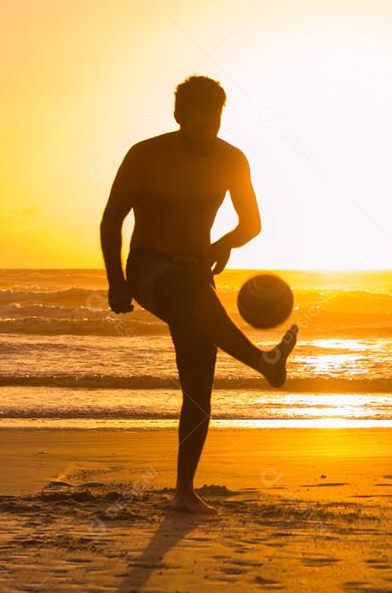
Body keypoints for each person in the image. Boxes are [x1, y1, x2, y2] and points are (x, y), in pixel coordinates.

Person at [100, 75, 298, 514]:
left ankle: (184, 492)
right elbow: (112, 218)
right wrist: (116, 280)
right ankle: (263, 362)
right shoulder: (146, 155)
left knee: (198, 382)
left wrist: (222, 244)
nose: (207, 132)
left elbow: (252, 223)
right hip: (150, 269)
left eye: (214, 122)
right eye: (197, 124)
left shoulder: (232, 160)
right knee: (191, 292)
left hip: (196, 274)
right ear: (179, 118)